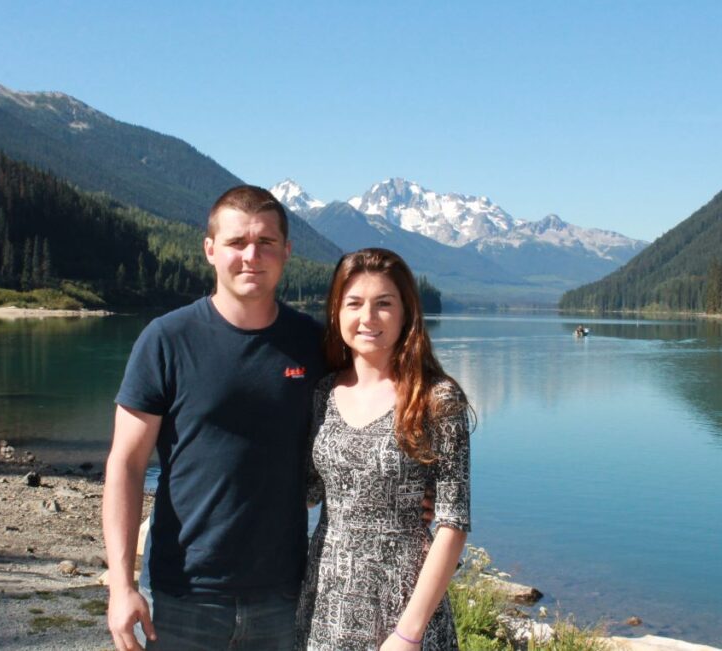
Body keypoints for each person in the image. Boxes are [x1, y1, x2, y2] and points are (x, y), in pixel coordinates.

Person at [102, 185, 326, 651]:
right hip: (184, 591)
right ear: (210, 250)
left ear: (286, 250)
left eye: (266, 242)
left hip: (283, 590)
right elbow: (125, 464)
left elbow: (372, 416)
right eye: (236, 242)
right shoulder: (166, 340)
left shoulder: (314, 343)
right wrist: (121, 586)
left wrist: (418, 492)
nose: (252, 255)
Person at [296, 248, 472, 651]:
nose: (368, 318)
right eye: (354, 303)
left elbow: (453, 523)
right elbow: (306, 494)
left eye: (384, 304)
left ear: (407, 312)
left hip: (404, 607)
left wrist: (409, 633)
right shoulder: (323, 393)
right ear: (337, 312)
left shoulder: (437, 400)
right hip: (325, 602)